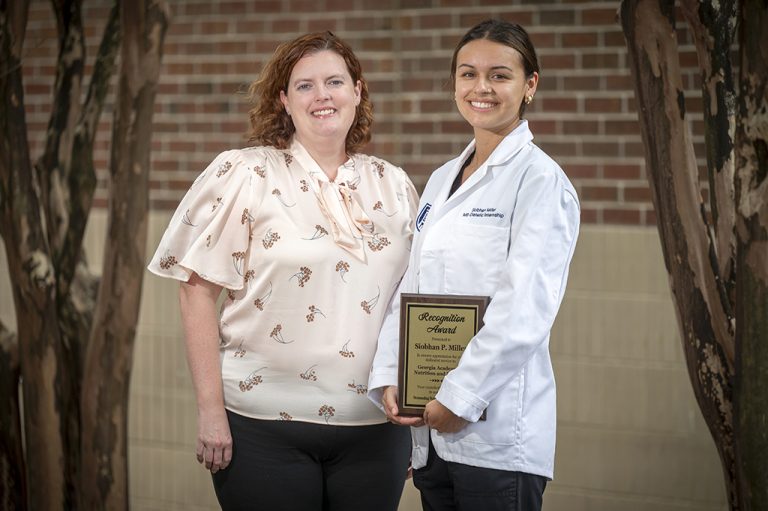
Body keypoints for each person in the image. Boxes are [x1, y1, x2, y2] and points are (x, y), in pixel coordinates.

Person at [148, 31, 417, 511]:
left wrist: (418, 412)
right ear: (284, 101)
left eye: (335, 81)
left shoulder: (393, 184)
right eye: (304, 86)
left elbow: (410, 302)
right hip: (261, 428)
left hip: (377, 429)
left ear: (357, 91)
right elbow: (195, 292)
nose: (322, 96)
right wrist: (210, 410)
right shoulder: (245, 174)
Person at [368, 19, 580, 511]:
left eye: (499, 75)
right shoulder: (444, 179)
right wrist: (391, 376)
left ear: (530, 86)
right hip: (431, 434)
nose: (480, 88)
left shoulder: (540, 181)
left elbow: (523, 309)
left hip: (498, 438)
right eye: (468, 74)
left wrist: (461, 398)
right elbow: (411, 286)